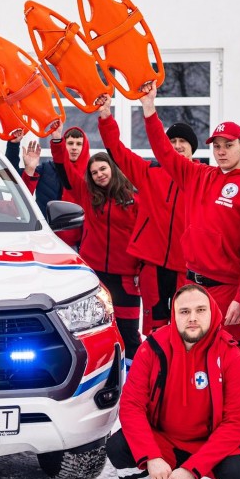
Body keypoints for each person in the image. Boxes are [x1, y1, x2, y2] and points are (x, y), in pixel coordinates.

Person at [108, 284, 240, 479]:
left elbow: (235, 423)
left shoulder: (230, 354)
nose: (192, 317)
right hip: (165, 439)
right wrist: (151, 456)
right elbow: (131, 406)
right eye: (184, 311)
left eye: (200, 310)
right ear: (174, 315)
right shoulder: (152, 349)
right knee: (120, 446)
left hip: (210, 443)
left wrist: (193, 469)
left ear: (212, 313)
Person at [139, 87, 240, 354]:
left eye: (228, 145)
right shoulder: (198, 176)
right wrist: (149, 109)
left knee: (230, 363)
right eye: (217, 146)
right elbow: (165, 153)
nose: (221, 151)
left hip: (226, 292)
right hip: (191, 286)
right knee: (187, 360)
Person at [96, 101, 196, 332]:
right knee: (156, 328)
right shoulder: (149, 173)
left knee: (187, 326)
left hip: (187, 266)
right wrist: (105, 117)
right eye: (172, 141)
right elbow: (117, 150)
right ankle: (159, 368)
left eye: (183, 142)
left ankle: (184, 368)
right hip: (153, 264)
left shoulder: (201, 178)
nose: (178, 146)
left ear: (192, 148)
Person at [51, 140, 142, 359]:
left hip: (126, 277)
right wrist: (56, 141)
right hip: (96, 276)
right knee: (94, 330)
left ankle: (132, 380)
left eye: (103, 168)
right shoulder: (87, 195)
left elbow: (144, 236)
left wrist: (141, 269)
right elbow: (64, 167)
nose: (99, 174)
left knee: (129, 332)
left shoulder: (134, 199)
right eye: (94, 172)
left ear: (112, 168)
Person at [6, 123, 89, 248]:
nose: (74, 148)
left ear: (85, 147)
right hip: (44, 238)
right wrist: (13, 145)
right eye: (70, 143)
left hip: (77, 244)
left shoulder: (91, 174)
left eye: (79, 144)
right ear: (63, 145)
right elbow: (13, 179)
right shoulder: (46, 169)